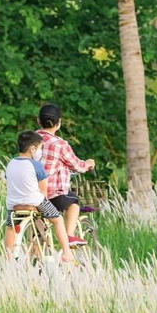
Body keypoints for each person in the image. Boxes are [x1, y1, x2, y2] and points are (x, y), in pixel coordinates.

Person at [3, 130, 74, 263]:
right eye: (40, 148)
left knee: (10, 226)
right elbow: (43, 191)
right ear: (32, 149)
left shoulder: (11, 163)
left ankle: (7, 257)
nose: (40, 152)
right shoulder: (36, 165)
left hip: (14, 205)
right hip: (33, 202)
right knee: (58, 220)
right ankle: (66, 252)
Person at [36, 103, 95, 245]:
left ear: (38, 121)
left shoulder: (29, 140)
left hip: (29, 192)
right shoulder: (60, 144)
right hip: (51, 194)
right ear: (59, 123)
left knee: (39, 229)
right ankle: (69, 236)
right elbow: (77, 165)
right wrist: (87, 164)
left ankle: (37, 251)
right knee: (73, 201)